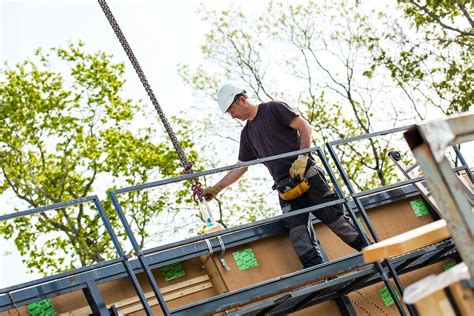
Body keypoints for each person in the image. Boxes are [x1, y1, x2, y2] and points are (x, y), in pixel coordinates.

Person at [201, 84, 365, 268]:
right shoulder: (246, 135)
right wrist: (217, 188)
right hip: (285, 189)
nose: (232, 116)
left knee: (337, 221)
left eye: (232, 110)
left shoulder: (273, 108)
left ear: (242, 100)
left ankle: (372, 252)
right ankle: (321, 274)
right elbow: (241, 167)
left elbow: (304, 127)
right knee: (298, 235)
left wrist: (303, 157)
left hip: (308, 177)